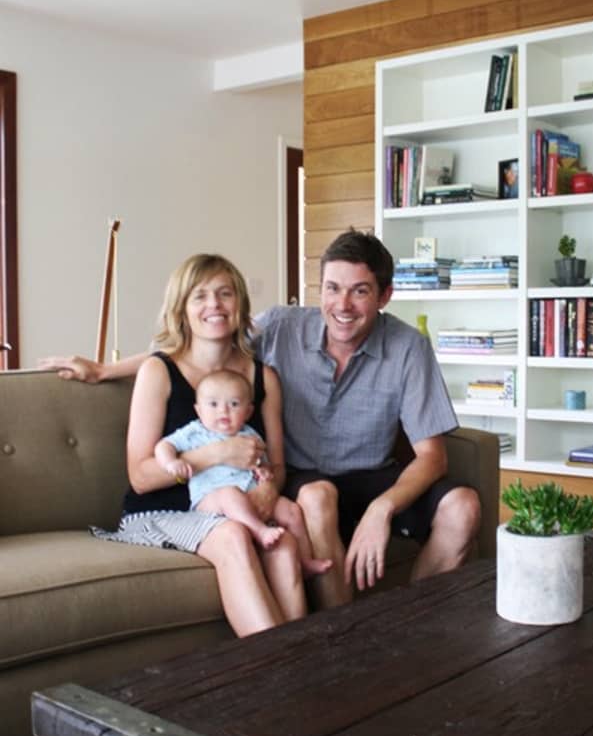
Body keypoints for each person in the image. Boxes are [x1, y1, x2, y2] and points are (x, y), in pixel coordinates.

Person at [41, 231, 482, 610]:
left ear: (384, 296)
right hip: (308, 480)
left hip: (373, 476)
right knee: (318, 496)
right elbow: (198, 343)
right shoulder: (283, 327)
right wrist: (103, 370)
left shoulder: (408, 348)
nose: (342, 305)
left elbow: (433, 457)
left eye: (360, 291)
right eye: (332, 288)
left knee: (464, 507)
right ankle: (347, 639)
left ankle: (409, 626)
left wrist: (382, 509)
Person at [85, 253, 315, 637]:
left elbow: (277, 465)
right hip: (159, 512)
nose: (214, 305)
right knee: (233, 535)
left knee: (285, 545)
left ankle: (298, 664)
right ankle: (282, 669)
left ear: (240, 304)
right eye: (200, 296)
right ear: (181, 309)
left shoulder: (264, 378)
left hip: (238, 506)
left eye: (225, 294)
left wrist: (267, 490)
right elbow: (140, 477)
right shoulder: (157, 371)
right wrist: (215, 455)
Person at [155, 367, 331, 575]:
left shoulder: (250, 435)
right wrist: (171, 463)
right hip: (211, 500)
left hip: (252, 496)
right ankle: (260, 531)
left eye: (234, 404)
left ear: (248, 411)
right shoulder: (195, 431)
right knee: (230, 495)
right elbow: (164, 445)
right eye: (213, 404)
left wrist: (264, 472)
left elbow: (261, 464)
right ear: (199, 410)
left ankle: (306, 561)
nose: (223, 411)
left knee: (292, 511)